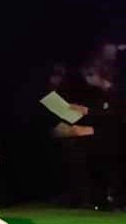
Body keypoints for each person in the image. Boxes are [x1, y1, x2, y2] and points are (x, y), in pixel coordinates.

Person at [48, 40, 122, 209]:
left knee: (87, 147)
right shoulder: (97, 94)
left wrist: (89, 124)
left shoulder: (116, 93)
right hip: (99, 135)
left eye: (90, 75)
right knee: (71, 143)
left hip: (112, 137)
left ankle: (97, 195)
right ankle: (79, 194)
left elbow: (115, 119)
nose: (87, 79)